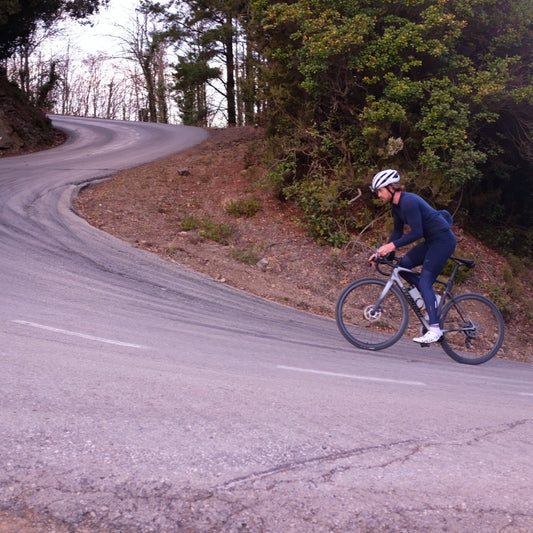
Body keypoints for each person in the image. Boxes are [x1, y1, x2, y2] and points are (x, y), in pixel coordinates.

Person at [369, 169, 456, 343]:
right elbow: (397, 231)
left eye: (380, 190)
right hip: (432, 241)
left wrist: (390, 246)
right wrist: (385, 254)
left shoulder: (408, 202)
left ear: (391, 187)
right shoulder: (396, 205)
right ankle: (432, 299)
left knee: (425, 281)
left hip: (443, 241)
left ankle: (435, 329)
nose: (379, 195)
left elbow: (417, 232)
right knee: (402, 266)